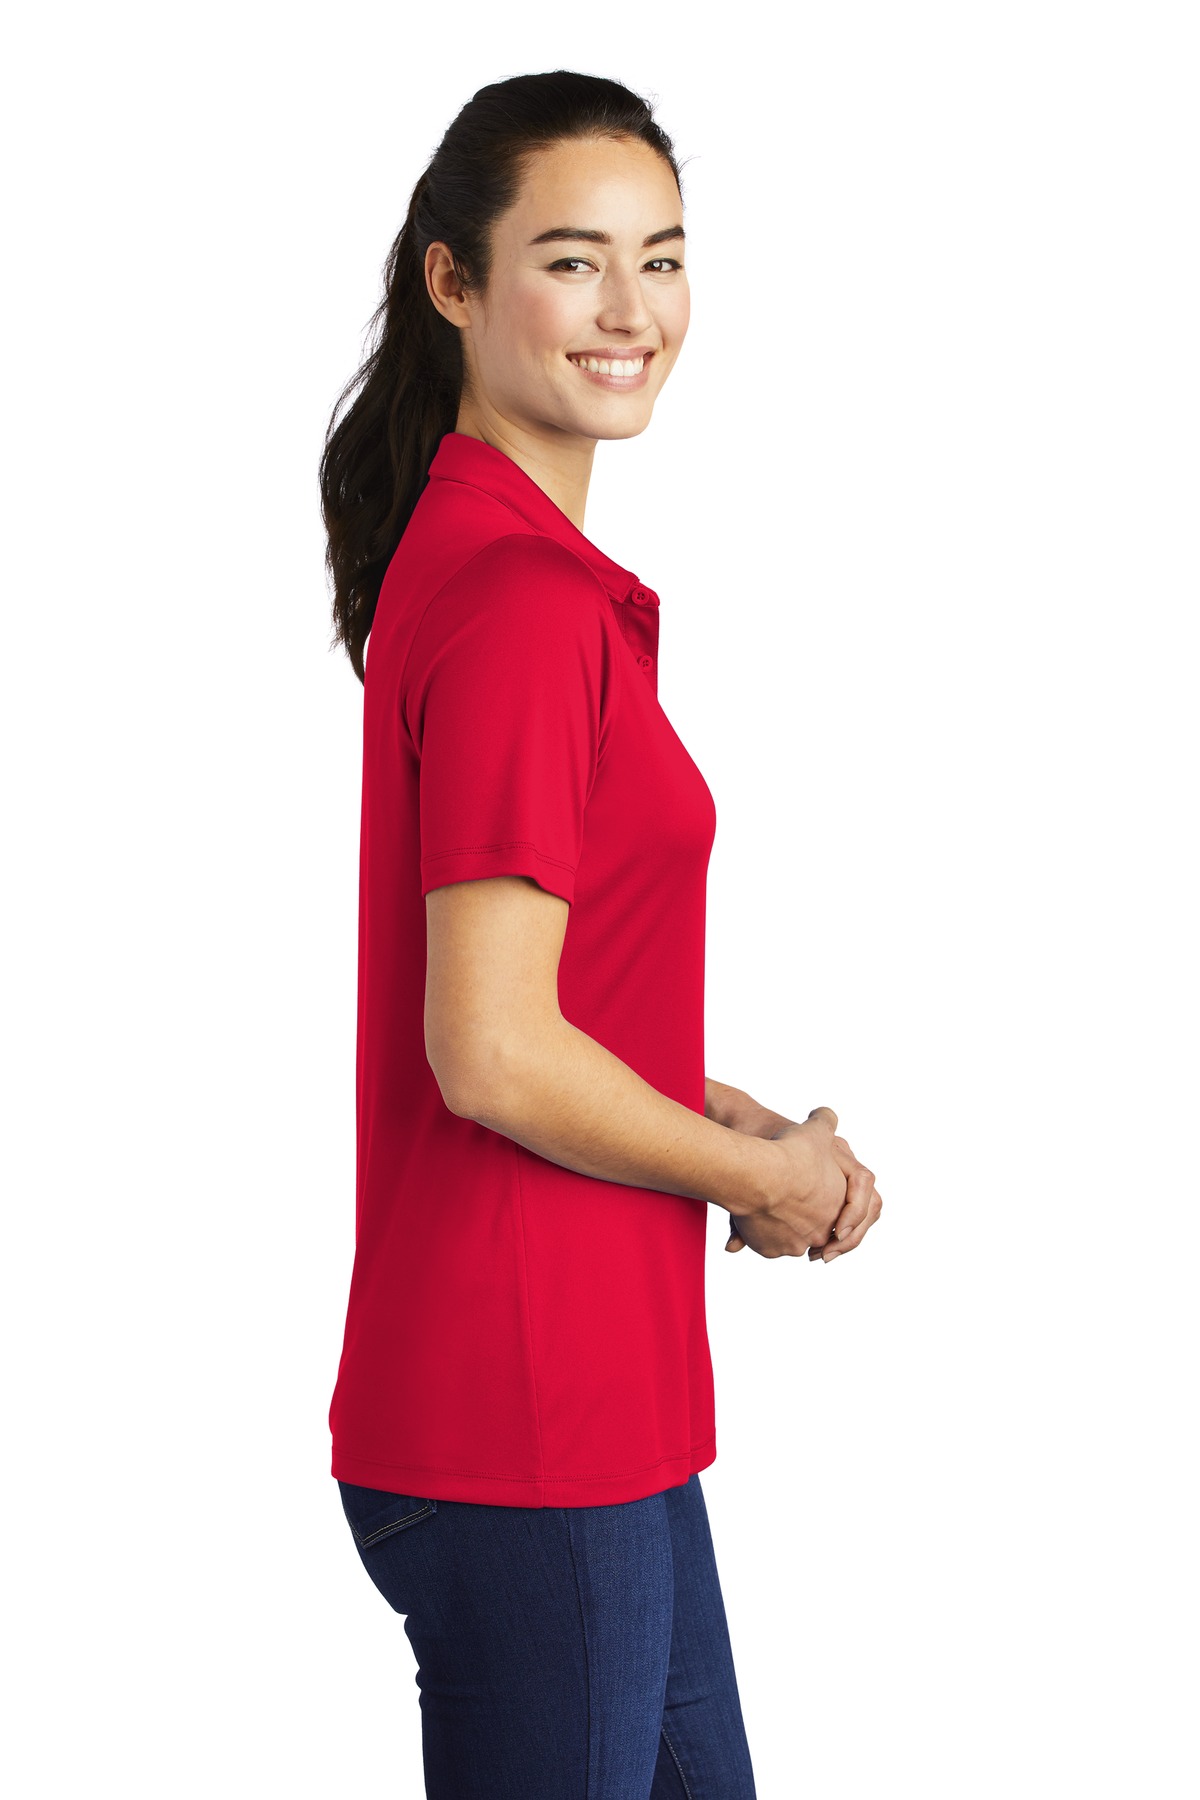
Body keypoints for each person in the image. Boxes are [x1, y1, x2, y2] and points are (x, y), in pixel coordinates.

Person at [319, 68, 883, 1800]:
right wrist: (759, 1179)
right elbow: (491, 1052)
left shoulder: (503, 565)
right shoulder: (519, 600)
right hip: (529, 1417)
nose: (632, 309)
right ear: (454, 281)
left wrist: (726, 1117)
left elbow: (538, 1006)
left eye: (664, 257)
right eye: (572, 261)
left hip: (589, 1409)